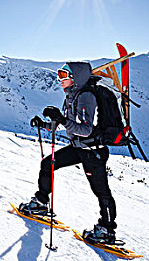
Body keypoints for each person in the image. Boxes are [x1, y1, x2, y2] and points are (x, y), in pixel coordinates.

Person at [20, 62, 118, 244]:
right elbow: (68, 126)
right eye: (60, 75)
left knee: (101, 191)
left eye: (64, 76)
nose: (60, 79)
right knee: (47, 164)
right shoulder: (72, 96)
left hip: (92, 151)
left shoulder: (86, 97)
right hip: (78, 147)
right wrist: (45, 124)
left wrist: (62, 119)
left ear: (76, 78)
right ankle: (41, 203)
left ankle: (107, 230)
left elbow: (86, 129)